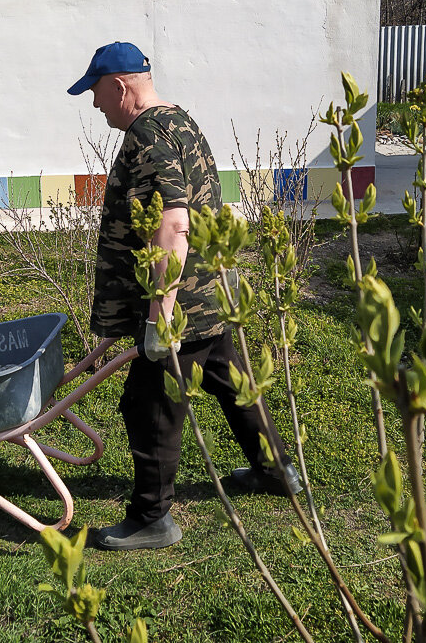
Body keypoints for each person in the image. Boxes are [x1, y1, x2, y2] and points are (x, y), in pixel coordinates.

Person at [67, 41, 301, 551]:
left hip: (180, 304)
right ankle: (278, 471)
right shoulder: (180, 122)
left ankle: (152, 518)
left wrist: (159, 316)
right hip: (207, 293)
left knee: (149, 403)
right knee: (230, 380)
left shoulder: (146, 137)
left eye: (96, 93)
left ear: (119, 86)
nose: (95, 104)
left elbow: (173, 222)